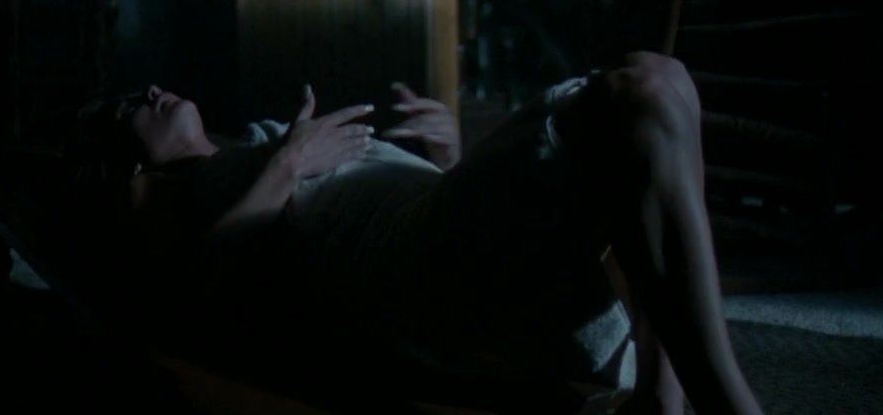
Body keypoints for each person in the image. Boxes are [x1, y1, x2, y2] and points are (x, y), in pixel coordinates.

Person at [76, 52, 764, 415]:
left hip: (440, 224)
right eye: (133, 105)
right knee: (639, 92)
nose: (154, 90)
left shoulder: (242, 147)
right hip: (407, 269)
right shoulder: (157, 194)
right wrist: (287, 165)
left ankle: (662, 398)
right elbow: (198, 298)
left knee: (665, 85)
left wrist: (449, 158)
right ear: (123, 163)